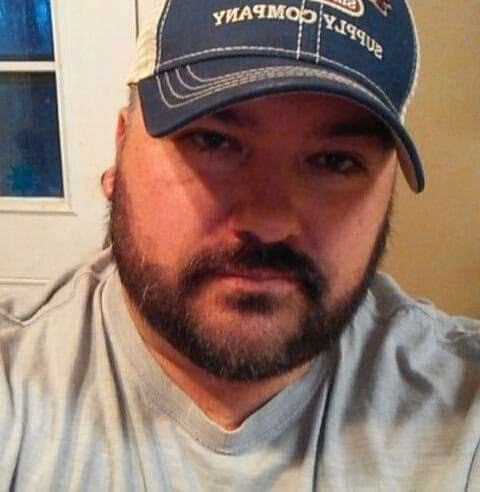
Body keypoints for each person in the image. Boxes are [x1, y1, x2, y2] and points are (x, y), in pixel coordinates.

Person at [0, 0, 478, 489]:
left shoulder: (463, 408)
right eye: (213, 141)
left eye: (335, 161)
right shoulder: (15, 385)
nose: (268, 223)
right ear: (120, 149)